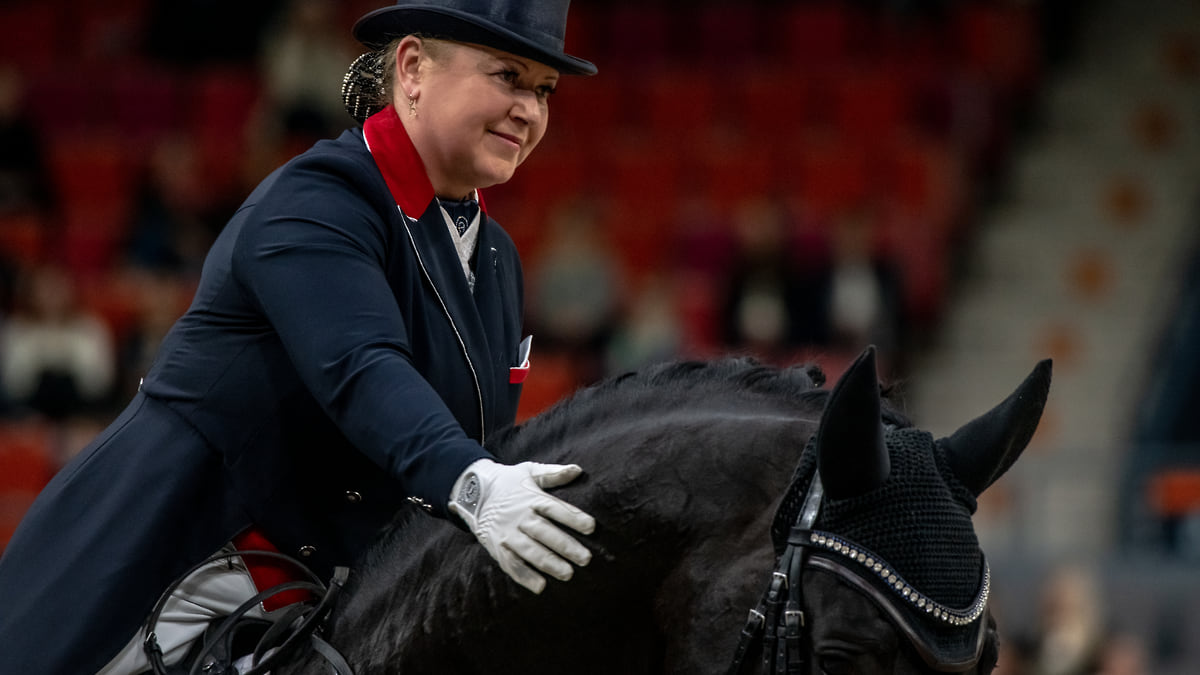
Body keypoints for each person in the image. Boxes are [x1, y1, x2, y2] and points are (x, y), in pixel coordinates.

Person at [0, 1, 598, 673]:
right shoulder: (319, 200)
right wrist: (475, 483)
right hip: (162, 571)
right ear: (412, 68)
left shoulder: (496, 260)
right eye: (508, 76)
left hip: (316, 609)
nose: (530, 109)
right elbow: (362, 369)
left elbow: (481, 441)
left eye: (544, 90)